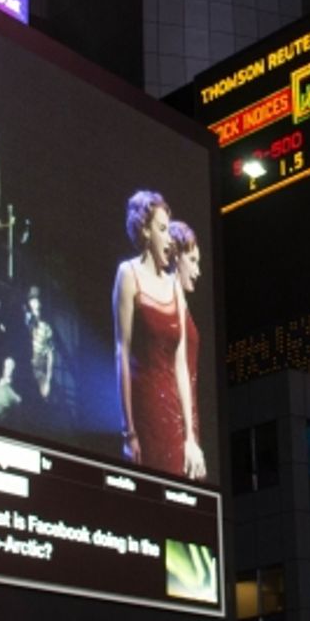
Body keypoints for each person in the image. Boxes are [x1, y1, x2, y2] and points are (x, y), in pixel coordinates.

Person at [112, 191, 204, 480]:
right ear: (144, 230)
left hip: (177, 416)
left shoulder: (173, 286)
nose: (168, 238)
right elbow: (122, 353)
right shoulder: (128, 274)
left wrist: (190, 436)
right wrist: (128, 431)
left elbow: (181, 364)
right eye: (162, 229)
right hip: (146, 412)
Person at [169, 220, 202, 466]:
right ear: (175, 257)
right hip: (175, 414)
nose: (197, 271)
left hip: (186, 412)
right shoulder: (171, 296)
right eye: (192, 260)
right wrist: (188, 436)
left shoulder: (180, 299)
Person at [25, 286, 55, 401]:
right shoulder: (25, 320)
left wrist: (48, 379)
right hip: (25, 363)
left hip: (39, 366)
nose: (35, 302)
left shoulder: (46, 326)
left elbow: (50, 353)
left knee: (43, 397)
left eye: (37, 300)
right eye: (32, 300)